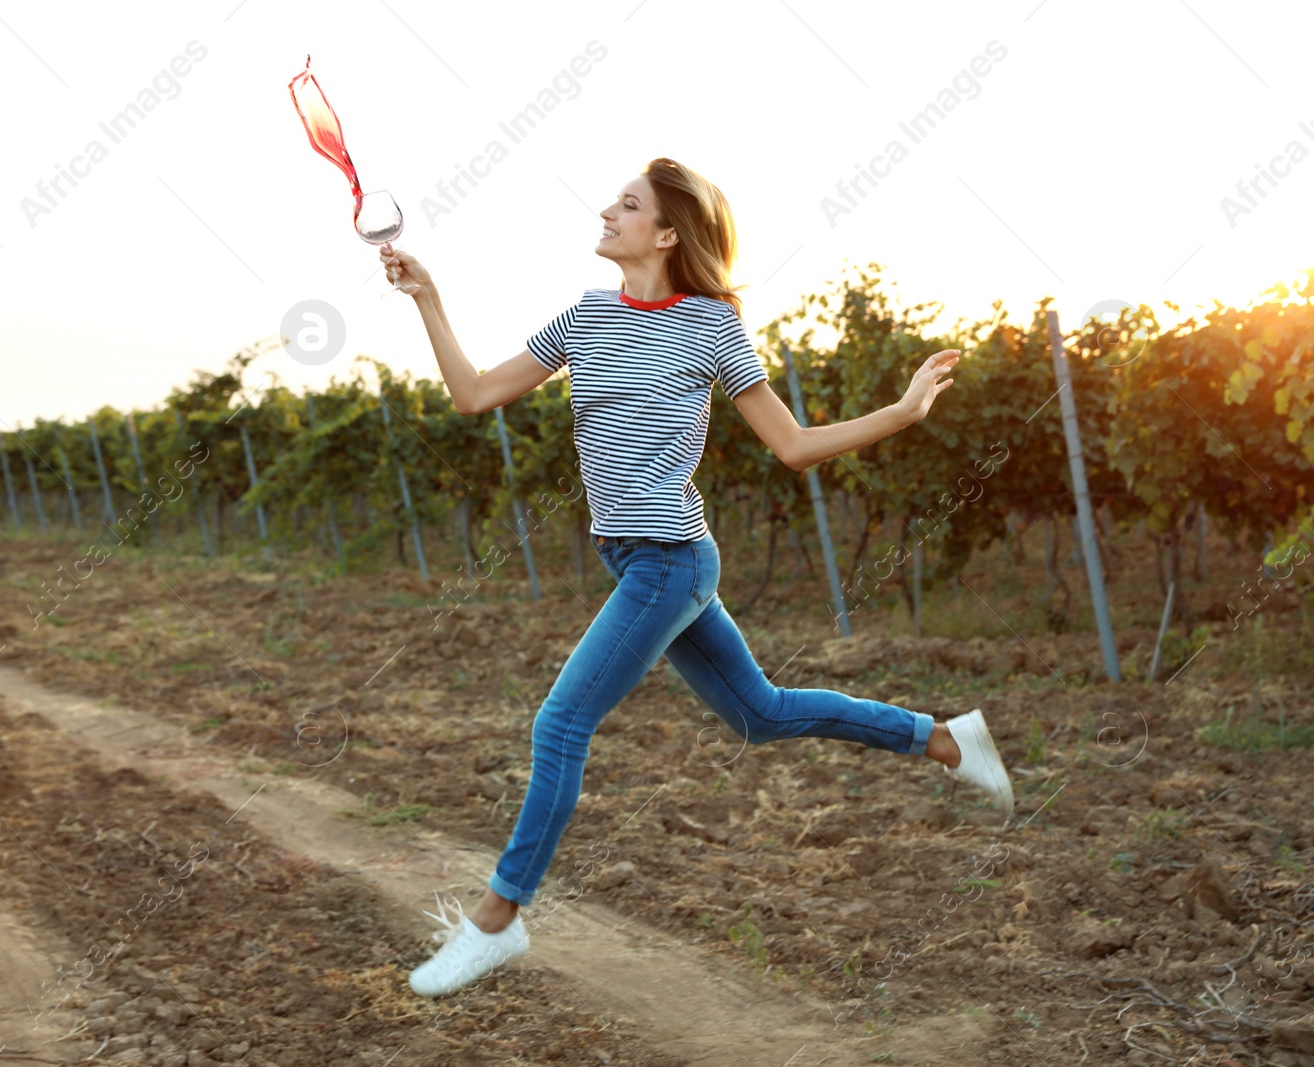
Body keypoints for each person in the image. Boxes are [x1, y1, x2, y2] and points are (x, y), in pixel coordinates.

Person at [379, 157, 1013, 999]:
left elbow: (790, 445)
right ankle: (943, 738)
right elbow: (474, 393)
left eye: (627, 204)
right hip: (638, 557)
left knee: (559, 724)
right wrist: (428, 296)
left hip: (671, 560)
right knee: (763, 714)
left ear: (667, 233)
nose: (607, 210)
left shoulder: (711, 325)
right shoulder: (585, 317)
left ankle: (499, 919)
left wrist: (899, 414)